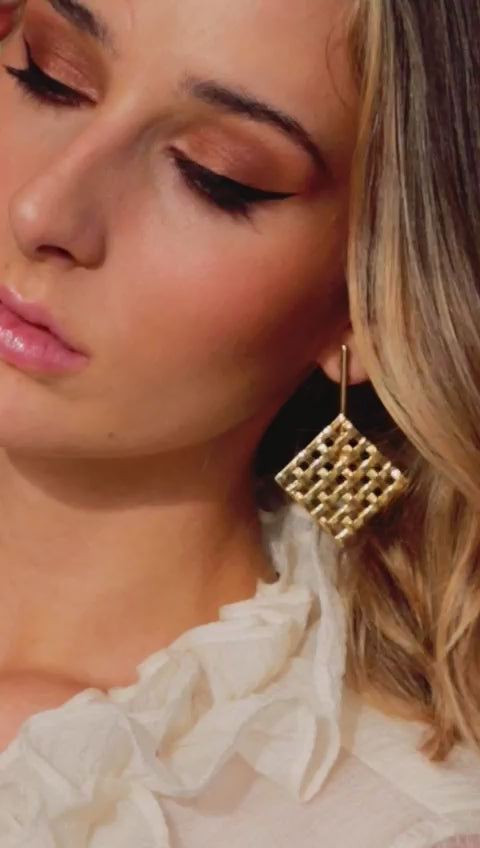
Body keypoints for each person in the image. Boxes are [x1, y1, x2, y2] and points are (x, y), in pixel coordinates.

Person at [0, 0, 479, 846]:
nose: (44, 211)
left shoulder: (377, 823)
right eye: (49, 76)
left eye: (214, 177)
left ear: (372, 309)